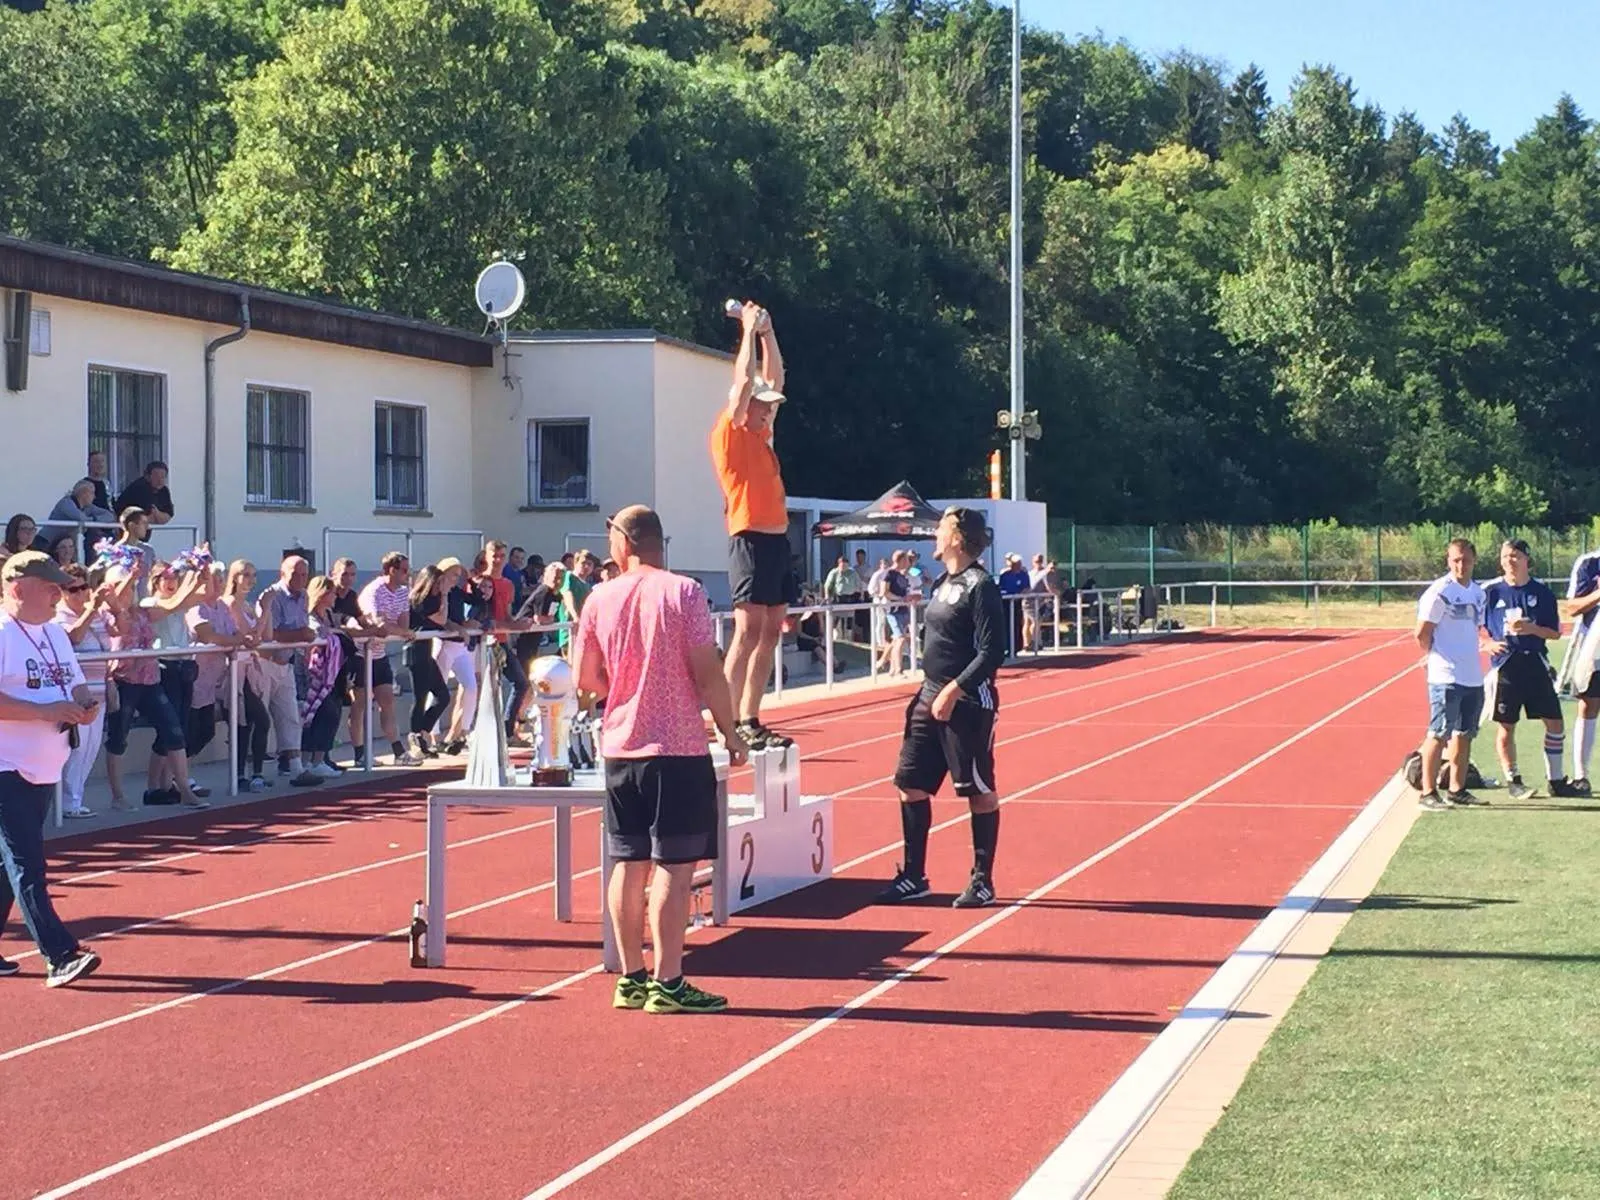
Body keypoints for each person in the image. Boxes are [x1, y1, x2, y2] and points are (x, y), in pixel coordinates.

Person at [574, 505, 748, 1014]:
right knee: (674, 864)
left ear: (625, 542)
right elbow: (707, 671)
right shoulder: (684, 592)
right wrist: (731, 731)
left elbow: (585, 677)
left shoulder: (599, 598)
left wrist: (624, 692)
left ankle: (631, 977)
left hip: (621, 746)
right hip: (675, 747)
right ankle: (668, 980)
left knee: (628, 862)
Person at [878, 508, 1007, 908]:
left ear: (956, 537)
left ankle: (982, 881)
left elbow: (993, 651)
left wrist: (954, 690)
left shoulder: (981, 586)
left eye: (940, 529)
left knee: (977, 790)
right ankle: (914, 876)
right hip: (928, 694)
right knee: (910, 784)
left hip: (967, 701)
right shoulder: (941, 582)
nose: (934, 535)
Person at [0, 552, 105, 986]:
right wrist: (46, 712)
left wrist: (83, 702)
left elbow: (74, 680)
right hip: (6, 767)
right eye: (49, 587)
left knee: (8, 863)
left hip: (43, 767)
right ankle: (59, 954)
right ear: (18, 588)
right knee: (27, 862)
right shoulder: (3, 634)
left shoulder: (56, 633)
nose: (57, 594)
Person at [710, 300, 795, 751]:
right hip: (749, 537)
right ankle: (725, 721)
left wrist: (768, 332)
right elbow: (745, 382)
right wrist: (746, 330)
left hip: (776, 539)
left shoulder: (761, 436)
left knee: (771, 627)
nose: (768, 412)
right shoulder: (731, 432)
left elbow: (775, 379)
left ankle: (750, 717)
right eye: (763, 407)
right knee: (747, 629)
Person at [1483, 539, 1576, 799]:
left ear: (1527, 559)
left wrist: (1532, 629)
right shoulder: (1489, 591)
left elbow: (1555, 633)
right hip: (1506, 665)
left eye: (1515, 556)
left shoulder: (1542, 592)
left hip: (1535, 662)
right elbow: (1470, 625)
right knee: (1506, 725)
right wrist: (1486, 643)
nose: (1509, 561)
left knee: (1555, 722)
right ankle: (1513, 780)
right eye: (1505, 556)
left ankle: (1555, 780)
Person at [1415, 539, 1488, 809]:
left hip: (1472, 675)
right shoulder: (1439, 592)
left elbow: (1475, 630)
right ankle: (1428, 792)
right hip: (1446, 676)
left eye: (1465, 560)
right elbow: (1422, 633)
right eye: (1456, 560)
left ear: (1474, 561)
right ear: (1448, 561)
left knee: (1464, 733)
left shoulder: (1478, 593)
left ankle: (1457, 788)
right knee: (1438, 733)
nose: (1461, 565)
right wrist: (1434, 656)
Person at [1564, 544, 1600, 794]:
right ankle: (1581, 775)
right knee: (1588, 705)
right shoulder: (1589, 563)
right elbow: (1572, 607)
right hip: (1594, 648)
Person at [114, 461, 175, 526]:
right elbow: (146, 518)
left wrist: (157, 513)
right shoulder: (139, 488)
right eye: (156, 476)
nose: (160, 480)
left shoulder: (164, 490)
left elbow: (168, 516)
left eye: (163, 477)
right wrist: (158, 515)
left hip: (142, 527)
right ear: (147, 476)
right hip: (123, 525)